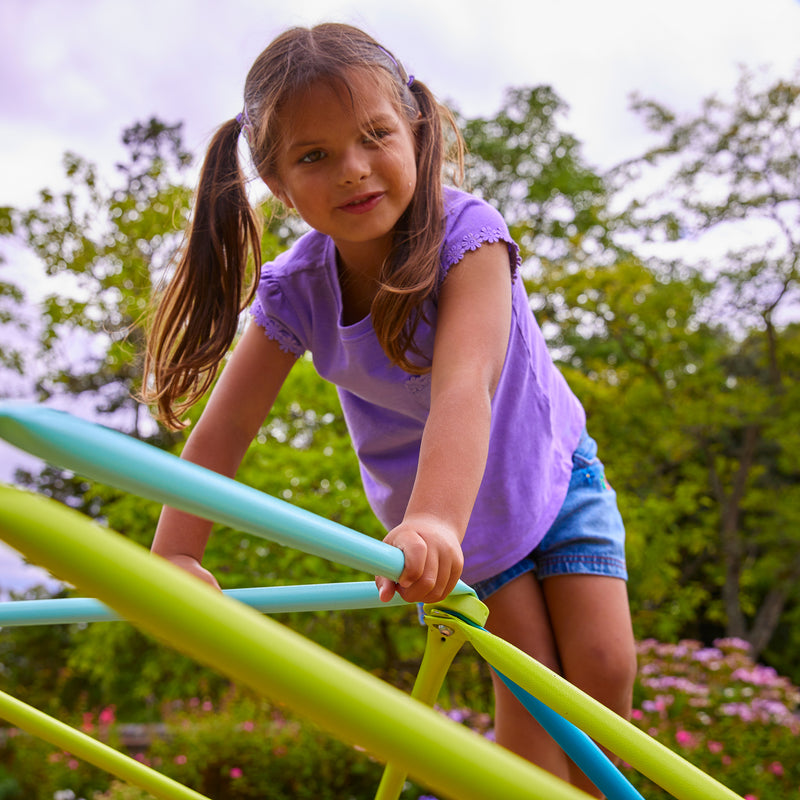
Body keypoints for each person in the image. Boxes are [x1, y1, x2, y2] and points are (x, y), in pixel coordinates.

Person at [143, 22, 637, 796]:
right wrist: (174, 553)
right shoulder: (294, 291)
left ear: (415, 129)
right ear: (277, 183)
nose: (354, 170)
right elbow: (227, 428)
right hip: (462, 529)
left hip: (547, 475)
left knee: (606, 673)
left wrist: (434, 515)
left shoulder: (468, 237)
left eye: (374, 136)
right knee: (534, 702)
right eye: (315, 156)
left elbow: (464, 384)